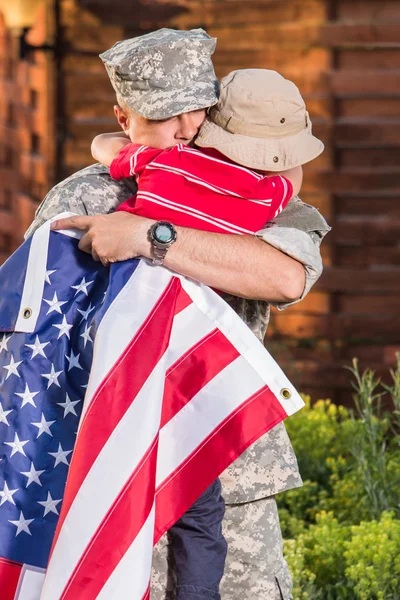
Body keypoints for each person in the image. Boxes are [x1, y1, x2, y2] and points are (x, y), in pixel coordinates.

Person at [26, 28, 331, 600]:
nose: (188, 130)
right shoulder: (87, 197)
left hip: (224, 468)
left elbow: (283, 276)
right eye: (172, 118)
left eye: (196, 113)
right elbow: (35, 333)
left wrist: (149, 234)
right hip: (101, 469)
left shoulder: (268, 198)